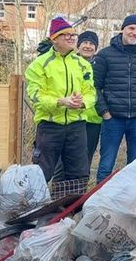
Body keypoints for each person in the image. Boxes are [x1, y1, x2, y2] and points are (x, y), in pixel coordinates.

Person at [24, 16, 96, 191]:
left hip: (77, 126)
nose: (72, 38)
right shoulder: (39, 65)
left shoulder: (83, 64)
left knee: (78, 173)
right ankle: (33, 210)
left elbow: (91, 92)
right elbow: (35, 95)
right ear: (54, 39)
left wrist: (83, 102)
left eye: (74, 34)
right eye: (66, 35)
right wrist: (60, 102)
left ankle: (69, 213)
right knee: (42, 172)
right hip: (50, 127)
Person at [93, 14, 136, 181]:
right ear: (122, 29)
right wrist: (104, 112)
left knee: (135, 166)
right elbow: (94, 87)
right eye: (131, 28)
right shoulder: (105, 55)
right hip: (112, 119)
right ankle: (99, 202)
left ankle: (129, 202)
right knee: (106, 165)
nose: (135, 32)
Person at [75, 31, 103, 168]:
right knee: (69, 156)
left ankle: (82, 188)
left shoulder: (100, 65)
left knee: (87, 156)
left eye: (91, 44)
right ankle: (62, 188)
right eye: (84, 42)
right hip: (73, 117)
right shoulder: (70, 63)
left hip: (93, 119)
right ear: (78, 46)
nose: (88, 46)